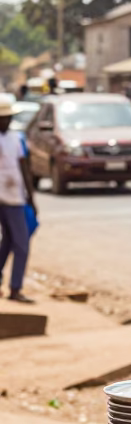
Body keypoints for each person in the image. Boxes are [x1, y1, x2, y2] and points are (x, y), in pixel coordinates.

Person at [0, 100, 37, 304]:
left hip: (15, 196)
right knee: (20, 244)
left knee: (10, 241)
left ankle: (13, 285)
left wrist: (31, 196)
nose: (6, 121)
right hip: (3, 197)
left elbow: (24, 167)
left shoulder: (15, 139)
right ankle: (15, 288)